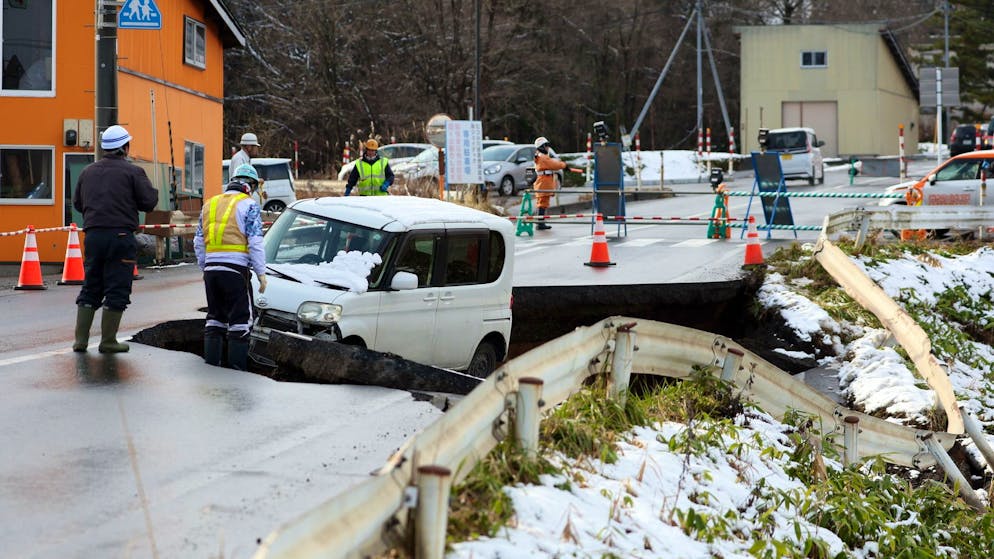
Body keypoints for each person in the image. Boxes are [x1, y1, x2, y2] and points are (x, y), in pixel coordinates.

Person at [72, 125, 159, 353]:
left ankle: (80, 341)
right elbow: (148, 202)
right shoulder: (132, 172)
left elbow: (78, 204)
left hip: (92, 236)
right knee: (117, 287)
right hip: (120, 236)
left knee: (91, 285)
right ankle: (108, 341)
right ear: (125, 148)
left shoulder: (87, 172)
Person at [193, 164, 268, 370]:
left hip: (211, 270)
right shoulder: (249, 205)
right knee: (241, 320)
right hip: (235, 269)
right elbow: (255, 241)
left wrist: (205, 267)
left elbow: (198, 241)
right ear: (249, 186)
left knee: (215, 317)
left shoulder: (210, 203)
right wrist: (261, 273)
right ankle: (236, 371)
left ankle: (212, 366)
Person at [533, 136, 566, 230]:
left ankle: (540, 222)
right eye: (546, 145)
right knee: (542, 203)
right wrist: (564, 165)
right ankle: (540, 223)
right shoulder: (543, 157)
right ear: (542, 146)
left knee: (542, 203)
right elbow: (553, 164)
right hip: (543, 183)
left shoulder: (540, 156)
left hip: (543, 182)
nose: (548, 148)